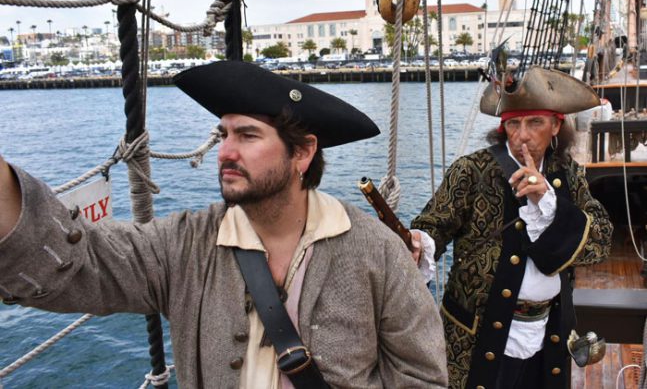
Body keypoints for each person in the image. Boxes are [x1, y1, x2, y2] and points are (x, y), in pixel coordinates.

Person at [0, 61, 448, 388]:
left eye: (248, 135)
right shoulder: (184, 245)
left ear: (303, 153)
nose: (225, 152)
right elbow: (82, 265)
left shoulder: (376, 250)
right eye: (224, 134)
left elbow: (421, 376)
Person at [411, 66, 613, 388]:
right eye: (513, 124)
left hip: (549, 331)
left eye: (535, 122)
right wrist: (419, 242)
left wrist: (548, 200)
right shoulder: (472, 171)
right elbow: (433, 226)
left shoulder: (568, 174)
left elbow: (600, 241)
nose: (522, 135)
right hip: (478, 335)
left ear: (556, 125)